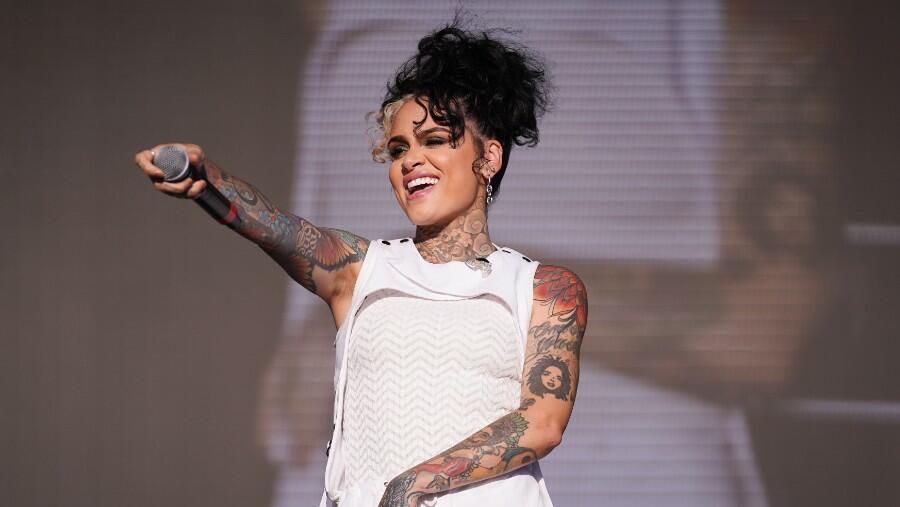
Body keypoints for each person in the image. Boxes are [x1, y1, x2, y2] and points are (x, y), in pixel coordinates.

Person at [134, 20, 586, 507]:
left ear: (488, 157)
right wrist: (207, 180)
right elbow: (276, 227)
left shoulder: (543, 288)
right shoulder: (362, 270)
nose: (410, 160)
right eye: (398, 149)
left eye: (434, 140)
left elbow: (542, 422)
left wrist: (416, 482)